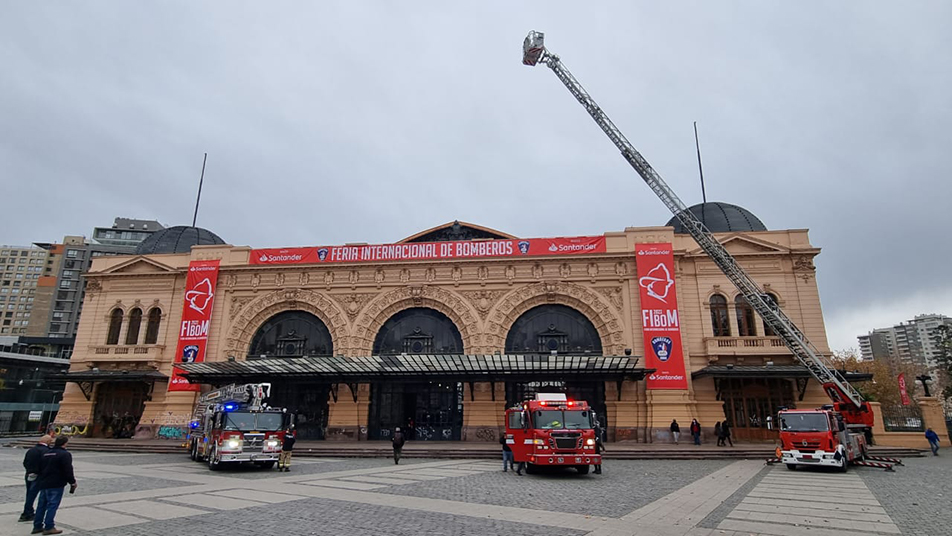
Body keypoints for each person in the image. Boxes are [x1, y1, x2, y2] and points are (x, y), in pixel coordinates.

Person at [33, 435, 77, 536]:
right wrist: (72, 482)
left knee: (41, 505)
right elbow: (68, 470)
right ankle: (49, 527)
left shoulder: (46, 453)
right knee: (52, 505)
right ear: (65, 443)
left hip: (44, 483)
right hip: (56, 483)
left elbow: (40, 468)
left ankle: (37, 525)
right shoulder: (65, 454)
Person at [19, 435, 52, 523]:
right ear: (48, 442)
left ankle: (28, 511)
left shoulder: (31, 450)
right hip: (38, 476)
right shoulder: (46, 451)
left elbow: (25, 462)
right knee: (32, 495)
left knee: (29, 493)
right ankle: (27, 513)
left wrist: (29, 470)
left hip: (29, 474)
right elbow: (46, 465)